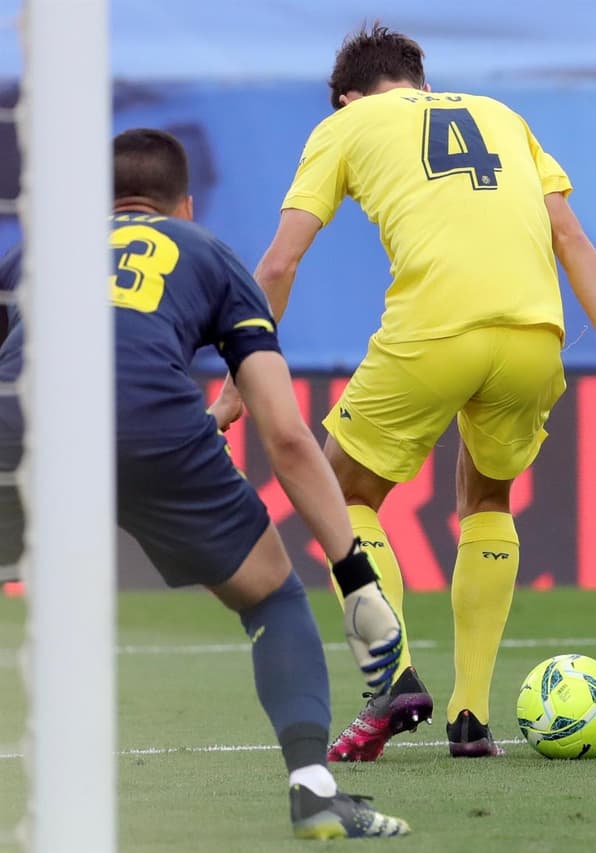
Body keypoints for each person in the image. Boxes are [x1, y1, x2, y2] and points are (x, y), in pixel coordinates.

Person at [212, 24, 596, 761]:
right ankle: (471, 717)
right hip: (534, 334)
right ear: (419, 80)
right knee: (486, 499)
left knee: (342, 488)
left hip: (434, 329)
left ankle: (394, 677)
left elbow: (283, 260)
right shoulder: (502, 115)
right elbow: (571, 237)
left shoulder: (345, 122)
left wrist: (239, 372)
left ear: (349, 94)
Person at [0, 128, 414, 838]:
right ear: (183, 205)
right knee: (272, 596)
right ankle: (314, 790)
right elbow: (285, 433)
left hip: (24, 422)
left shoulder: (36, 252)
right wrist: (355, 572)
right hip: (154, 426)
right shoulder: (212, 255)